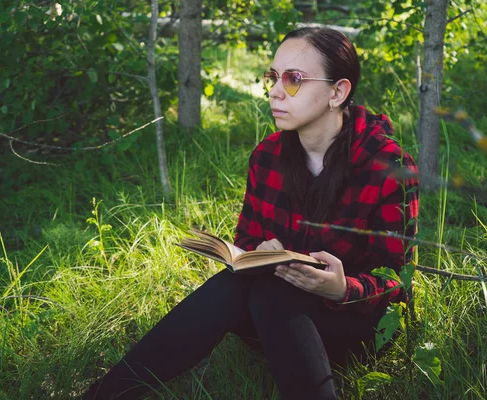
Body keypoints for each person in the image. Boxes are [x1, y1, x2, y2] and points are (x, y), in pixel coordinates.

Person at [83, 27, 419, 400]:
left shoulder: (388, 167)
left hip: (355, 326)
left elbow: (396, 281)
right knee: (244, 285)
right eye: (272, 77)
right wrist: (260, 251)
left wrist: (342, 287)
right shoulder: (268, 156)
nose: (275, 91)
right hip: (274, 317)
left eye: (294, 80)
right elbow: (245, 239)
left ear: (337, 92)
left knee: (273, 292)